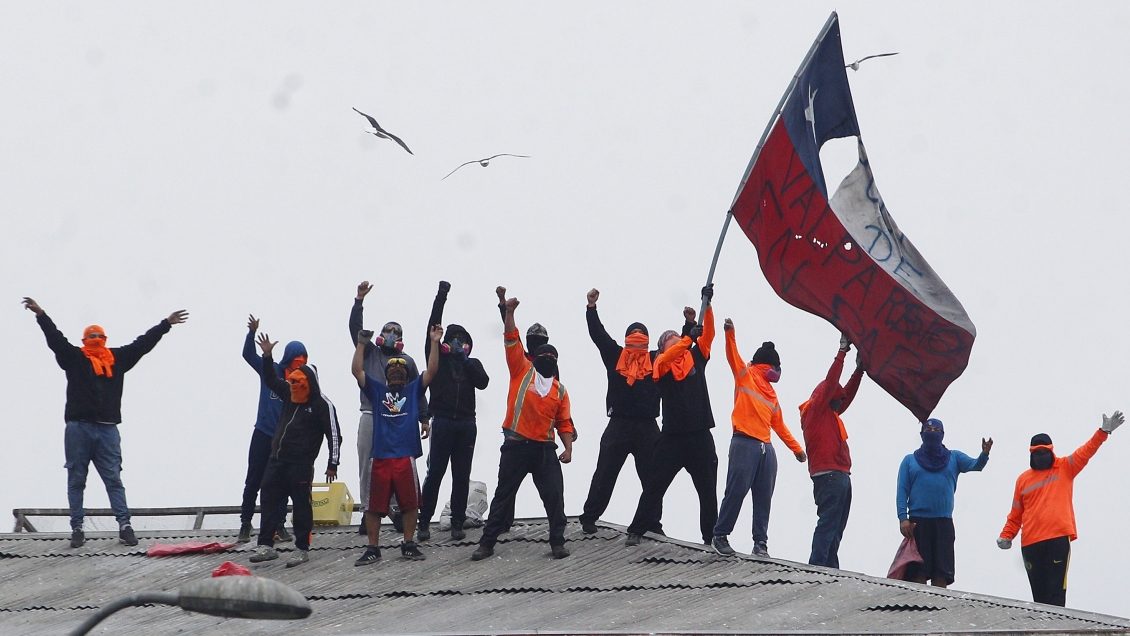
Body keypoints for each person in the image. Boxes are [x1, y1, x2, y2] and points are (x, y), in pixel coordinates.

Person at [23, 297, 188, 549]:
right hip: (79, 427)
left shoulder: (117, 359)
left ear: (105, 338)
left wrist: (165, 324)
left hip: (107, 428)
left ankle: (124, 526)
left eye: (99, 336)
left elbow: (142, 344)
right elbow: (56, 340)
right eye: (92, 336)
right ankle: (77, 528)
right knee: (78, 479)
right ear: (84, 341)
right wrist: (41, 315)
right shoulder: (76, 358)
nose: (96, 340)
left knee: (112, 479)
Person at [472, 295, 575, 561]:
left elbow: (564, 422)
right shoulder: (521, 369)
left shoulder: (560, 390)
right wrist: (508, 312)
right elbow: (511, 338)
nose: (548, 359)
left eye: (553, 357)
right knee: (503, 497)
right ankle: (487, 543)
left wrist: (568, 448)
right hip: (516, 446)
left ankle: (557, 542)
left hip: (544, 449)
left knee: (554, 497)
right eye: (544, 355)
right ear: (534, 357)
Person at [997, 411, 1124, 606]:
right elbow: (1016, 514)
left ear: (1051, 450)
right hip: (1031, 543)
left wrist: (1103, 432)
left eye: (1044, 451)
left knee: (1056, 593)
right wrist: (1007, 535)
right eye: (1037, 452)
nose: (1041, 456)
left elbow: (1086, 451)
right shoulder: (1023, 480)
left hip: (1057, 539)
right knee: (1039, 598)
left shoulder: (1064, 467)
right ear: (1031, 453)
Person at [625, 285, 718, 547]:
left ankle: (711, 538)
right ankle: (637, 529)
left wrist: (707, 305)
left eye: (676, 337)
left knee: (708, 490)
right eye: (670, 339)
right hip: (673, 438)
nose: (674, 340)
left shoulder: (696, 356)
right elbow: (671, 355)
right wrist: (688, 336)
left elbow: (708, 335)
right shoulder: (660, 363)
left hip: (700, 434)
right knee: (655, 485)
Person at [711, 319, 806, 557]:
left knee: (763, 498)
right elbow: (732, 355)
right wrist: (730, 333)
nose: (779, 373)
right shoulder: (746, 375)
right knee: (736, 491)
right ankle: (720, 535)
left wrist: (796, 449)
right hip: (744, 442)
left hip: (766, 448)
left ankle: (760, 543)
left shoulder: (771, 394)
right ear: (770, 366)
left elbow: (779, 425)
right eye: (778, 368)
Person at [249, 333, 341, 568]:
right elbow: (269, 379)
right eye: (292, 381)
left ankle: (301, 548)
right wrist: (267, 356)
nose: (294, 386)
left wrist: (332, 464)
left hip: (301, 464)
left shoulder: (323, 405)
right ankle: (266, 545)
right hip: (277, 459)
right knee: (268, 497)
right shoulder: (289, 393)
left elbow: (334, 435)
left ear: (309, 383)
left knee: (301, 505)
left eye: (299, 383)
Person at [353, 325, 442, 565]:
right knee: (373, 506)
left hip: (405, 457)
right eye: (391, 369)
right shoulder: (377, 390)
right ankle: (373, 547)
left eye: (400, 369)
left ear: (406, 374)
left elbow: (432, 370)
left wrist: (435, 342)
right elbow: (357, 371)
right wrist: (362, 343)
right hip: (380, 456)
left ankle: (408, 543)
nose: (395, 372)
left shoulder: (413, 391)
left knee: (410, 503)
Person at [578, 288, 662, 535]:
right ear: (626, 340)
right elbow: (598, 335)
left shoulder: (657, 360)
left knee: (653, 479)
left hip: (647, 427)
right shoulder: (615, 356)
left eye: (641, 337)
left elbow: (680, 350)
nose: (637, 341)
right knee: (605, 473)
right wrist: (591, 308)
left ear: (648, 341)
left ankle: (653, 525)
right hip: (619, 425)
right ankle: (589, 517)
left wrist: (690, 327)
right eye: (633, 337)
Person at [350, 281, 427, 534]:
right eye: (388, 331)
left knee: (398, 464)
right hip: (371, 413)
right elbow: (355, 330)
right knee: (367, 464)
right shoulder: (370, 352)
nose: (392, 335)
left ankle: (396, 510)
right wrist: (359, 301)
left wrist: (424, 418)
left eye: (397, 332)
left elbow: (419, 390)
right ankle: (367, 512)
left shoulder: (406, 361)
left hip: (397, 418)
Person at [417, 281, 490, 542]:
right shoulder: (438, 358)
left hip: (467, 424)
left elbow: (483, 382)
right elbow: (432, 329)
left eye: (464, 341)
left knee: (462, 475)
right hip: (444, 420)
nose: (459, 343)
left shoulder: (472, 363)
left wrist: (465, 359)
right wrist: (441, 296)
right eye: (454, 340)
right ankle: (423, 521)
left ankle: (458, 522)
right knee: (435, 472)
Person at [896, 419, 992, 588]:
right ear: (921, 435)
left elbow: (975, 465)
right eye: (928, 430)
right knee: (919, 571)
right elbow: (902, 491)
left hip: (943, 522)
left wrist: (984, 454)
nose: (932, 433)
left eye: (936, 429)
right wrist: (903, 518)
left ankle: (938, 609)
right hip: (918, 522)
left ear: (942, 434)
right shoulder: (909, 461)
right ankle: (919, 606)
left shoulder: (954, 457)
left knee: (942, 571)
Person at [238, 314, 304, 544]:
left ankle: (279, 525)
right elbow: (247, 355)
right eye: (297, 358)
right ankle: (245, 523)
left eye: (303, 359)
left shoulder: (301, 382)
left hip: (283, 440)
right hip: (262, 434)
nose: (300, 362)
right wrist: (251, 333)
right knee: (253, 480)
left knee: (281, 484)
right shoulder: (271, 370)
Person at [800, 335, 865, 568]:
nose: (840, 402)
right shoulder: (815, 411)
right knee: (829, 523)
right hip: (829, 475)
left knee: (836, 527)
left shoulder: (829, 414)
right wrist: (842, 352)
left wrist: (859, 372)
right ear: (827, 398)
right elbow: (832, 382)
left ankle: (829, 567)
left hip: (839, 475)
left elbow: (843, 394)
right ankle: (818, 566)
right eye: (835, 398)